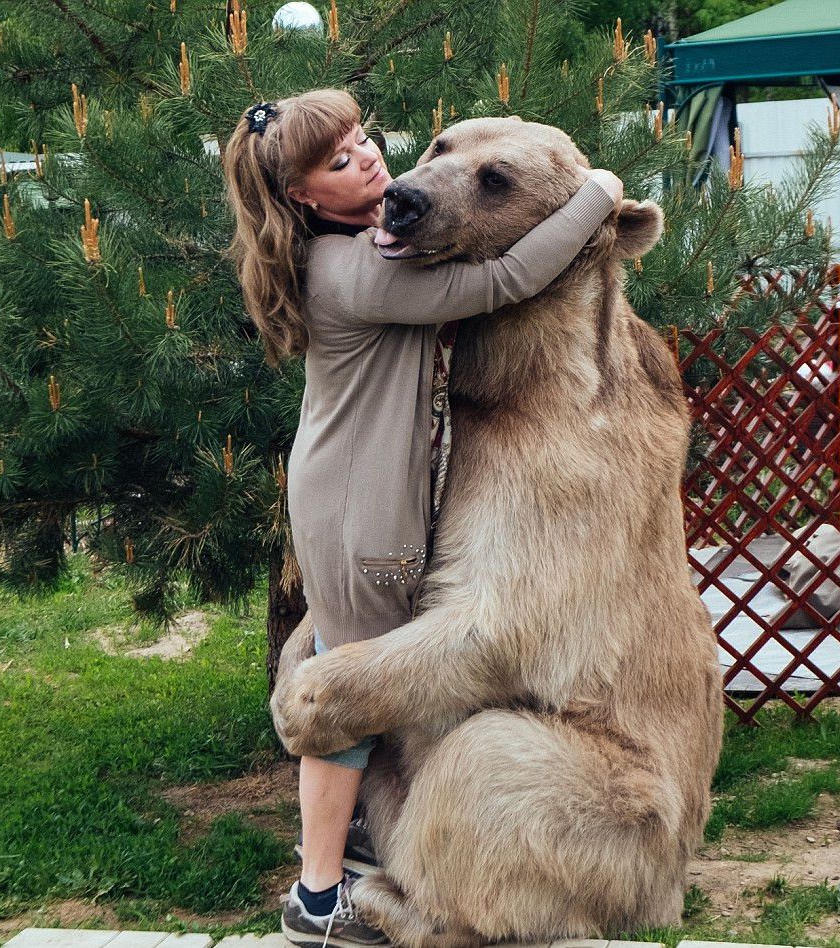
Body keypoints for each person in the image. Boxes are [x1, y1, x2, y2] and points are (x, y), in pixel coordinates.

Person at [222, 88, 622, 948]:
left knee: (349, 670)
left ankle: (350, 850)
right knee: (343, 698)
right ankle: (319, 895)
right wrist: (599, 195)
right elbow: (508, 277)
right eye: (338, 163)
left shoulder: (359, 245)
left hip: (343, 491)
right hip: (361, 511)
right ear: (302, 197)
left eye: (363, 141)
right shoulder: (359, 272)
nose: (371, 161)